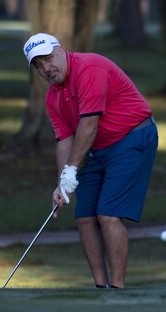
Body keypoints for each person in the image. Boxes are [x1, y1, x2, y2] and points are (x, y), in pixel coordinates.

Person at [23, 32, 158, 289]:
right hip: (96, 147)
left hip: (132, 137)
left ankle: (117, 289)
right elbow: (65, 139)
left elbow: (89, 125)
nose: (46, 68)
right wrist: (63, 181)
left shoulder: (89, 68)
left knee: (107, 213)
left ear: (60, 50)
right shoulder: (53, 98)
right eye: (38, 65)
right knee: (84, 216)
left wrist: (72, 168)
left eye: (48, 59)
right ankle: (100, 287)